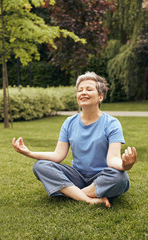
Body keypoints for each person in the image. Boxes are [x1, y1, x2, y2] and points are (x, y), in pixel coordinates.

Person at [12, 71, 137, 208]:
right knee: (40, 166)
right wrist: (29, 153)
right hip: (77, 176)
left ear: (100, 97)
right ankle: (89, 199)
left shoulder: (112, 124)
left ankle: (73, 194)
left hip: (101, 177)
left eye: (89, 89)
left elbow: (112, 159)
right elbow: (58, 155)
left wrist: (126, 165)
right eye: (80, 90)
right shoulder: (69, 123)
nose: (83, 93)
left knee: (121, 178)